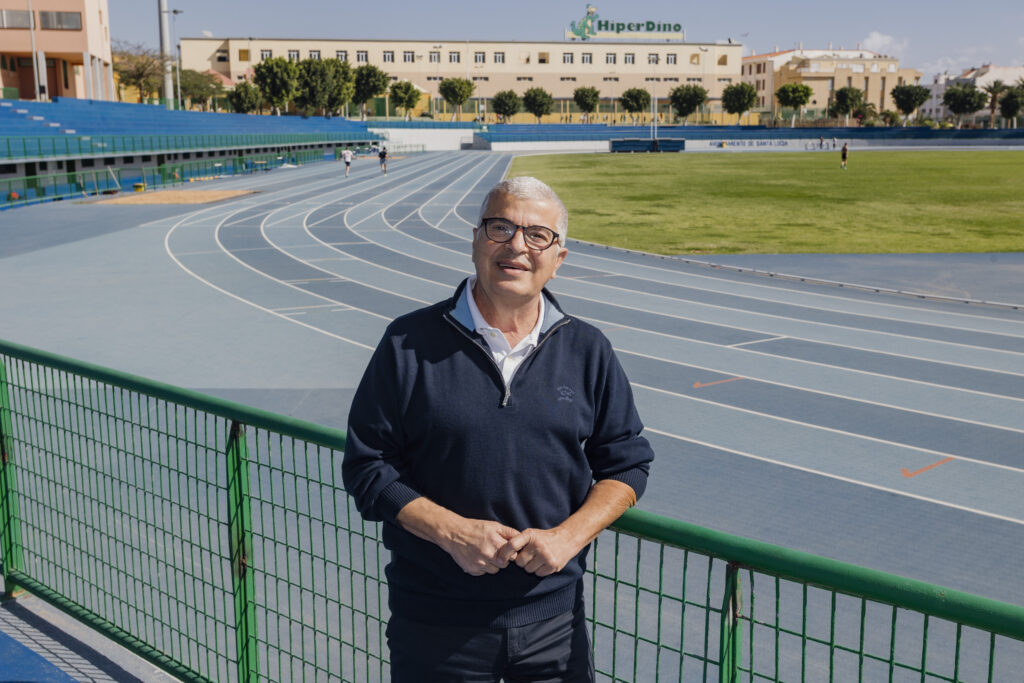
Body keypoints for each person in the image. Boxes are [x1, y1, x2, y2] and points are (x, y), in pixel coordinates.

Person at [343, 176, 654, 682]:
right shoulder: (405, 342)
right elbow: (367, 466)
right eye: (500, 227)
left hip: (556, 626)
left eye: (538, 235)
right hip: (435, 627)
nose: (516, 246)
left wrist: (569, 537)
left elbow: (628, 462)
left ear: (559, 259)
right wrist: (452, 533)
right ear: (474, 241)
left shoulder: (588, 350)